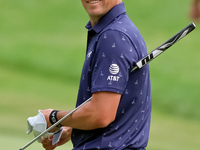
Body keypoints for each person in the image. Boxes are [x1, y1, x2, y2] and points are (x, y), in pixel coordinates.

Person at [41, 0, 152, 150]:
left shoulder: (114, 36)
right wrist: (73, 126)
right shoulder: (115, 30)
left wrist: (54, 118)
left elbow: (101, 115)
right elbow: (111, 106)